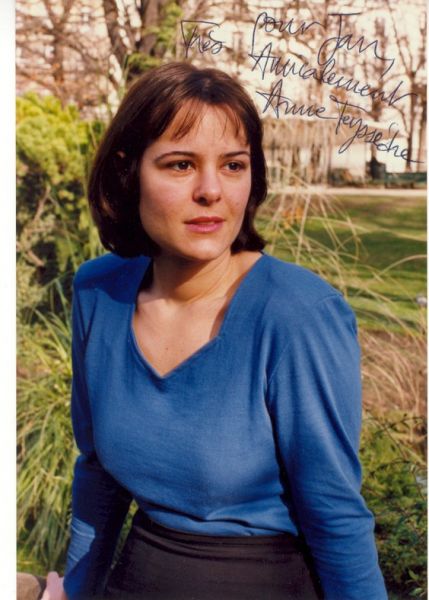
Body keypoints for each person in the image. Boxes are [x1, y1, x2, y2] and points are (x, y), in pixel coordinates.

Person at [42, 62, 387, 600]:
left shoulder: (296, 314)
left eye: (233, 165)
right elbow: (98, 475)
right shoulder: (99, 291)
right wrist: (75, 591)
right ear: (128, 173)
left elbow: (335, 514)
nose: (211, 191)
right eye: (180, 165)